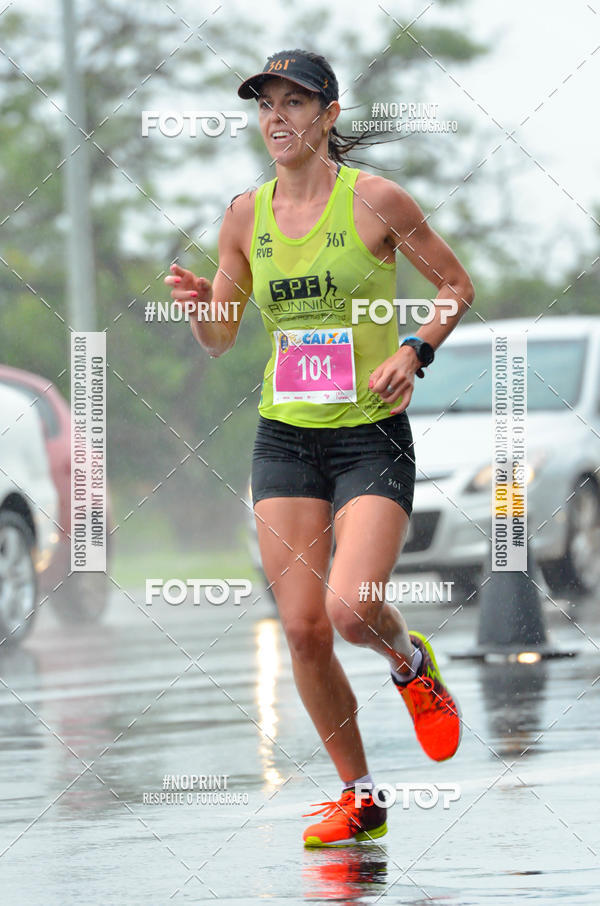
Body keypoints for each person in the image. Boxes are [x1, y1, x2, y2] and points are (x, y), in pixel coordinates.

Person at [165, 49, 475, 847]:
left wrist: (414, 349)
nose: (277, 116)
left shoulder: (376, 201)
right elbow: (222, 337)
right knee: (301, 628)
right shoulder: (244, 215)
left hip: (370, 433)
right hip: (286, 438)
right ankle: (359, 795)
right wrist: (202, 307)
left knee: (349, 612)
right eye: (266, 103)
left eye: (295, 102)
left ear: (329, 116)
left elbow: (454, 286)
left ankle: (409, 662)